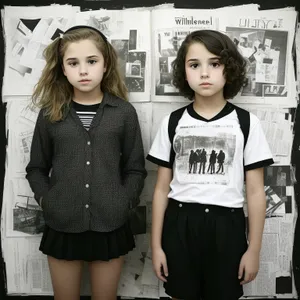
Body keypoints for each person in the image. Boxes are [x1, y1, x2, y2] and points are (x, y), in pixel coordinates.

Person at [147, 30, 274, 300]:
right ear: (184, 71)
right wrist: (156, 246)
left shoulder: (247, 123)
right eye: (195, 65)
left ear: (229, 68)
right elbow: (160, 190)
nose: (204, 73)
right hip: (180, 225)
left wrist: (254, 250)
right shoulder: (172, 122)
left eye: (214, 64)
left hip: (226, 227)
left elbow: (255, 192)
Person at [26, 25, 147, 300]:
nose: (83, 70)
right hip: (62, 224)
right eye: (73, 63)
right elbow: (36, 168)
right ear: (63, 69)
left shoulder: (124, 113)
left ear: (105, 65)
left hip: (110, 224)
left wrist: (124, 201)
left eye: (91, 61)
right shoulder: (50, 114)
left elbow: (135, 168)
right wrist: (48, 201)